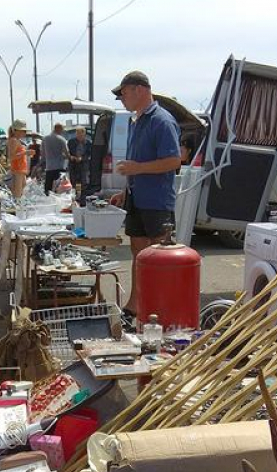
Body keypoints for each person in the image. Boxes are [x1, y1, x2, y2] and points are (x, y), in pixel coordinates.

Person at [108, 71, 181, 318]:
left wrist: (138, 169)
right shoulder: (136, 121)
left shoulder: (162, 120)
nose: (121, 100)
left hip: (157, 200)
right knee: (138, 252)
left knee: (159, 256)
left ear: (139, 90)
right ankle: (136, 305)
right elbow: (136, 163)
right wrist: (124, 190)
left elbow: (173, 160)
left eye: (124, 94)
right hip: (137, 198)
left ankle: (160, 309)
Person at [42, 123, 69, 195]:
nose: (62, 131)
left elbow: (43, 154)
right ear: (59, 129)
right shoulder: (61, 139)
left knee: (47, 189)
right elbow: (67, 154)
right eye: (62, 130)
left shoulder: (45, 138)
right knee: (59, 189)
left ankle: (48, 203)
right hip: (59, 167)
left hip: (49, 167)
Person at [7, 120, 30, 199]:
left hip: (20, 169)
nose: (24, 133)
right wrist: (25, 153)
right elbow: (11, 157)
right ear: (16, 131)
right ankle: (16, 208)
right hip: (17, 169)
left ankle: (17, 207)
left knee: (21, 190)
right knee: (17, 193)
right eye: (23, 131)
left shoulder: (16, 140)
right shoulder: (13, 140)